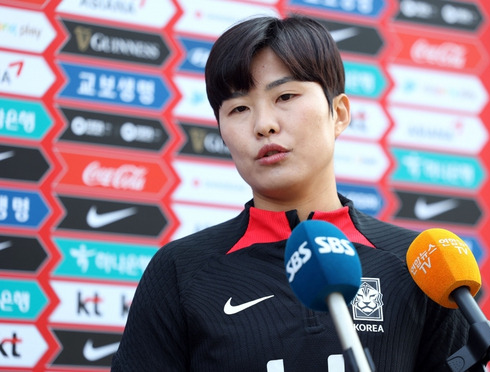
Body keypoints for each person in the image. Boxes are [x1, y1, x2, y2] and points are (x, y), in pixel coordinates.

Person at [111, 15, 469, 371]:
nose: (264, 124)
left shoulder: (418, 265)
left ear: (339, 113)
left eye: (285, 96)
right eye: (239, 108)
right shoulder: (180, 272)